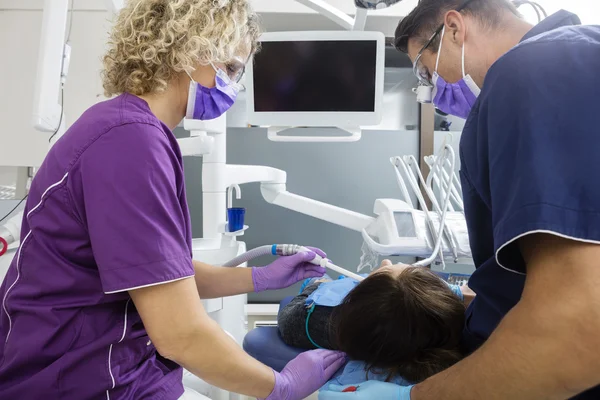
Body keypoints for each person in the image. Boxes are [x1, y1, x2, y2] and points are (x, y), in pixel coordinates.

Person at [0, 1, 345, 399]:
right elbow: (179, 335)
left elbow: (156, 274)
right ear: (191, 49)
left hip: (109, 367)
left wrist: (258, 278)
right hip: (84, 381)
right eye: (231, 69)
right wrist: (280, 386)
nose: (233, 86)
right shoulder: (130, 141)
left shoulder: (125, 127)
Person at [320, 1, 600, 399]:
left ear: (454, 29)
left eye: (426, 70)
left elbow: (578, 325)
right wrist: (459, 300)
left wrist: (412, 397)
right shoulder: (570, 60)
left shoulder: (535, 70)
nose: (432, 92)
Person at [278, 261, 467, 386]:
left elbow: (289, 319)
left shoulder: (322, 324)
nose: (387, 263)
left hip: (304, 311)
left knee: (315, 286)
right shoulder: (446, 327)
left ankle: (318, 282)